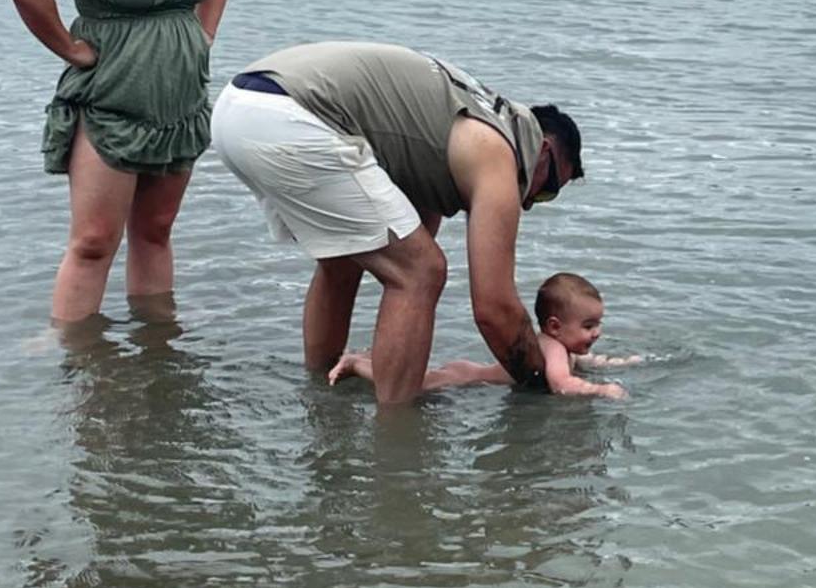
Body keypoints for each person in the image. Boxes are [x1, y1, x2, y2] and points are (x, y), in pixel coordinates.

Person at [210, 42, 581, 404]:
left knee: (344, 262)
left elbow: (414, 234)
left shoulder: (457, 127)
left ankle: (323, 393)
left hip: (239, 106)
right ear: (542, 150)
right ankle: (398, 440)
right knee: (420, 271)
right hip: (289, 115)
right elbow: (494, 308)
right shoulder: (499, 150)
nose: (528, 204)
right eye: (546, 190)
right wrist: (541, 383)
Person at [9, 0, 229, 323]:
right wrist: (72, 50)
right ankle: (76, 355)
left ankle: (157, 349)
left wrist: (202, 35)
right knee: (93, 241)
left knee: (155, 232)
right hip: (110, 102)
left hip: (179, 103)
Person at [328, 270, 638, 399]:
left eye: (598, 323)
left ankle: (367, 358)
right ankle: (357, 363)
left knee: (413, 376)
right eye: (588, 326)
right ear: (555, 326)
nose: (596, 332)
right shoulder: (554, 349)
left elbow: (588, 362)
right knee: (414, 383)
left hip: (469, 370)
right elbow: (561, 383)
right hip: (466, 378)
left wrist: (620, 363)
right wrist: (600, 391)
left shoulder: (564, 347)